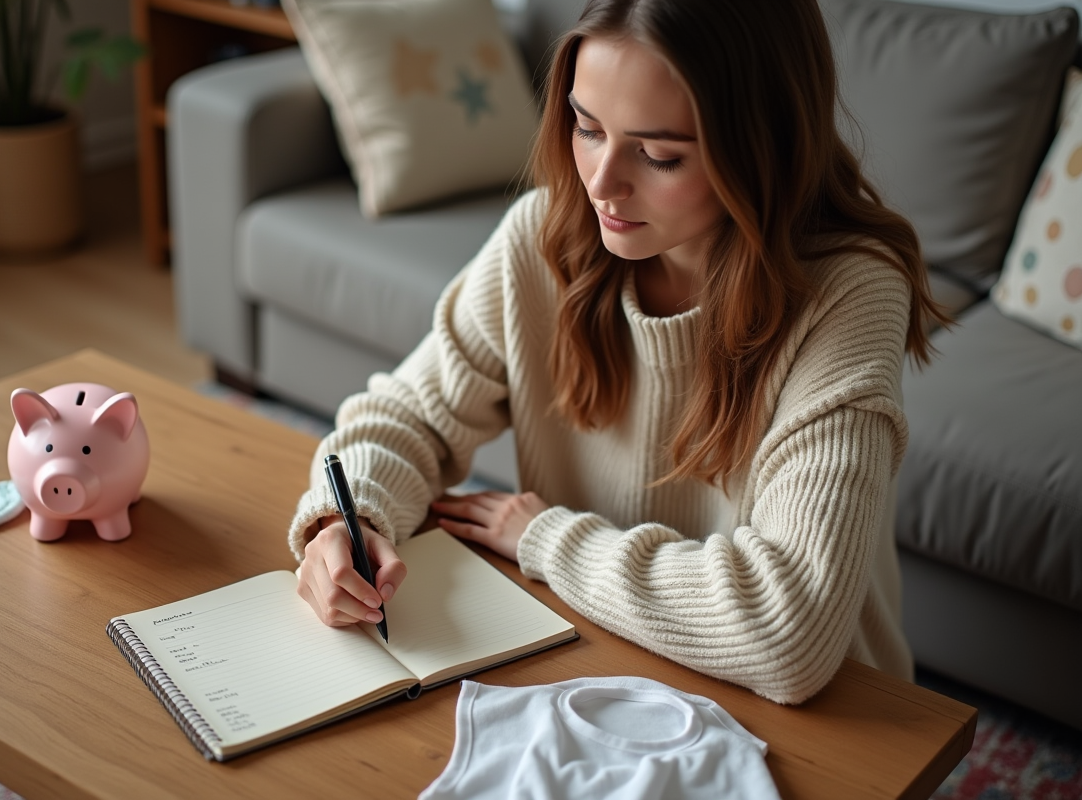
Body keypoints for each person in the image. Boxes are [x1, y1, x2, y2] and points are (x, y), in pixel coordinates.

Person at [287, 0, 949, 705]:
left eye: (659, 154)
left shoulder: (850, 295)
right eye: (587, 127)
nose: (601, 183)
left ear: (763, 147)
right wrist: (346, 520)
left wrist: (547, 539)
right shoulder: (542, 237)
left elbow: (788, 631)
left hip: (837, 723)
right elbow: (407, 414)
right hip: (607, 658)